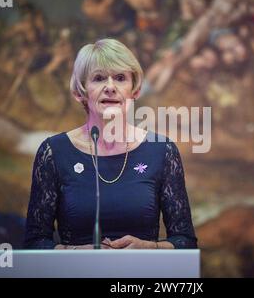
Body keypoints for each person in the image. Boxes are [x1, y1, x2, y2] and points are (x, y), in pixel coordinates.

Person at [24, 38, 197, 249]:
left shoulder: (162, 150)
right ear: (80, 92)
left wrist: (150, 247)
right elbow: (34, 242)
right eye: (98, 78)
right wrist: (73, 252)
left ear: (135, 90)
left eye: (120, 78)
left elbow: (185, 242)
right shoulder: (53, 152)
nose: (110, 87)